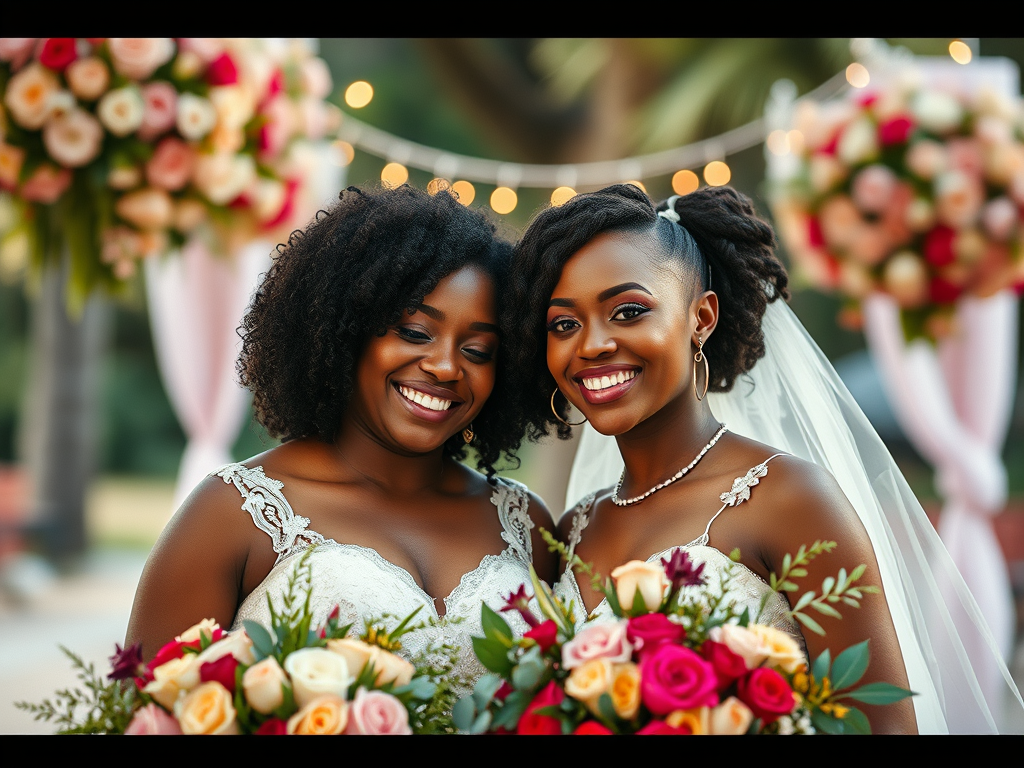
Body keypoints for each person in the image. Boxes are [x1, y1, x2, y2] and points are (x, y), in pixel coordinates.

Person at [503, 182, 1024, 734]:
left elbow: (886, 727)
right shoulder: (573, 529)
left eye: (628, 311)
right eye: (564, 324)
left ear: (701, 318)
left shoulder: (791, 498)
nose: (592, 345)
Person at [125, 184, 556, 689]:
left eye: (479, 351)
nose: (445, 367)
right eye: (415, 333)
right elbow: (139, 715)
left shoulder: (527, 525)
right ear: (343, 329)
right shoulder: (232, 514)